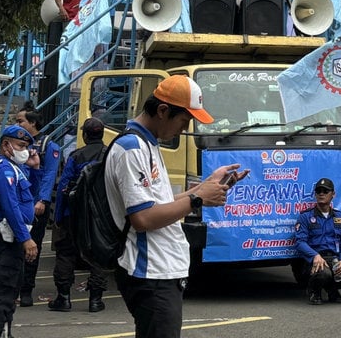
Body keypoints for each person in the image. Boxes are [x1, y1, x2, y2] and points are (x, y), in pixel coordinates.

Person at [106, 75, 248, 338]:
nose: (185, 129)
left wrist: (204, 187)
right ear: (162, 110)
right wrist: (198, 199)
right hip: (151, 274)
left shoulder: (147, 143)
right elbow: (143, 218)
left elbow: (162, 205)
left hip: (161, 271)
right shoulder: (132, 148)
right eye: (184, 121)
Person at [0, 125, 38, 338]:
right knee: (3, 288)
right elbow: (10, 206)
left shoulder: (16, 169)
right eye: (21, 146)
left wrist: (35, 168)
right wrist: (26, 238)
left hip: (15, 237)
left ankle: (5, 329)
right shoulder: (4, 169)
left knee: (12, 287)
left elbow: (30, 197)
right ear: (6, 145)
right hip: (8, 237)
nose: (25, 151)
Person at [49, 117, 109, 313]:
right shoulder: (111, 154)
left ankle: (64, 298)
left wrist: (58, 217)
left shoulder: (75, 156)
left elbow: (63, 187)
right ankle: (95, 300)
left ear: (84, 135)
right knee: (98, 255)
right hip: (100, 216)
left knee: (65, 253)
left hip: (73, 214)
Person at [294, 177, 341, 305]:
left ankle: (332, 287)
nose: (321, 194)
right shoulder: (305, 217)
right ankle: (315, 291)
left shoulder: (340, 217)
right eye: (318, 191)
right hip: (317, 260)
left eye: (325, 191)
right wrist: (315, 256)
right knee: (324, 273)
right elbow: (300, 243)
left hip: (336, 259)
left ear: (333, 194)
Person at [15, 106, 60, 307]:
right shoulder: (17, 144)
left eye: (21, 121)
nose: (18, 126)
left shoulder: (48, 146)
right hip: (16, 201)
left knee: (33, 246)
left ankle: (26, 289)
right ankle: (12, 286)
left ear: (32, 123)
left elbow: (50, 174)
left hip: (35, 203)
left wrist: (42, 199)